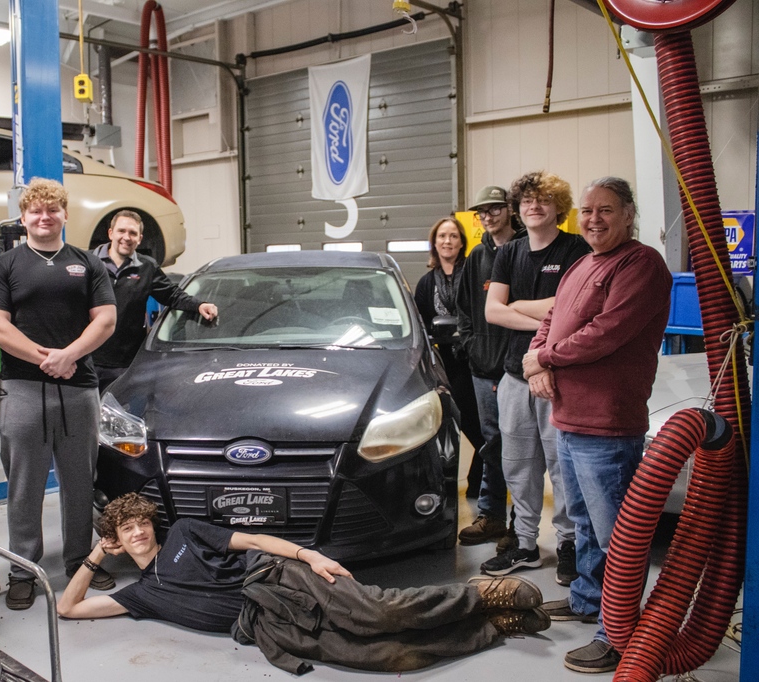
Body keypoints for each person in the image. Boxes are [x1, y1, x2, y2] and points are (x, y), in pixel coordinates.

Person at [57, 493, 550, 674]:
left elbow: (250, 538)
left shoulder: (184, 532)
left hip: (280, 579)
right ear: (119, 539)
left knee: (377, 613)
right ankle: (496, 626)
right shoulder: (139, 595)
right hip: (265, 624)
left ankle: (483, 594)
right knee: (377, 655)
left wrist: (307, 554)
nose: (139, 531)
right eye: (127, 530)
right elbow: (68, 609)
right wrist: (97, 553)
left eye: (142, 523)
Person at [523, 177, 672, 674]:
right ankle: (588, 600)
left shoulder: (641, 264)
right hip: (569, 417)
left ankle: (620, 635)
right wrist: (536, 359)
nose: (593, 219)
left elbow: (603, 334)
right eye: (586, 211)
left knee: (617, 538)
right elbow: (551, 319)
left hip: (608, 424)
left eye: (605, 210)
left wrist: (542, 357)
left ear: (629, 213)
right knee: (585, 524)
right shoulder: (581, 264)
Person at [0, 178, 117, 610]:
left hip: (78, 388)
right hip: (22, 387)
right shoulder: (4, 266)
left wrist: (70, 355)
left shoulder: (86, 264)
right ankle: (22, 567)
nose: (44, 217)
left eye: (52, 210)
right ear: (23, 218)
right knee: (25, 482)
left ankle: (80, 562)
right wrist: (46, 358)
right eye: (36, 211)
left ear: (64, 215)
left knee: (80, 479)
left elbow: (106, 319)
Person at [481, 171, 590, 585]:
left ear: (558, 207)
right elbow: (493, 311)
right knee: (518, 466)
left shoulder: (576, 248)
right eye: (526, 201)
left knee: (562, 467)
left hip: (557, 377)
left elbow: (574, 310)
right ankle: (525, 543)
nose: (534, 206)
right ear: (518, 208)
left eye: (543, 200)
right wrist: (542, 308)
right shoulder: (509, 252)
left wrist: (519, 305)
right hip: (514, 376)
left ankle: (567, 544)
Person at [456, 186, 526, 548]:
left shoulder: (527, 252)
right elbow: (463, 310)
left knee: (523, 446)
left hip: (521, 368)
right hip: (484, 370)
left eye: (495, 208)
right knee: (492, 444)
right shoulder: (477, 257)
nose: (488, 215)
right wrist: (472, 347)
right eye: (482, 210)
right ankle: (492, 515)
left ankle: (522, 525)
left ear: (509, 210)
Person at [92, 210, 218, 392]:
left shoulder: (147, 267)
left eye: (133, 233)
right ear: (111, 233)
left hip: (126, 364)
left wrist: (199, 305)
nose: (126, 237)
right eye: (121, 231)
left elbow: (172, 295)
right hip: (88, 360)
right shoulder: (89, 263)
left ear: (140, 238)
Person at [413, 217, 486, 496]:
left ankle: (481, 481)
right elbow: (420, 323)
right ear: (434, 242)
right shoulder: (426, 282)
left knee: (480, 426)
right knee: (463, 424)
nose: (448, 241)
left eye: (454, 236)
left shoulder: (472, 274)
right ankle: (478, 481)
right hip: (445, 363)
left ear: (462, 242)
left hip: (475, 358)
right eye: (442, 236)